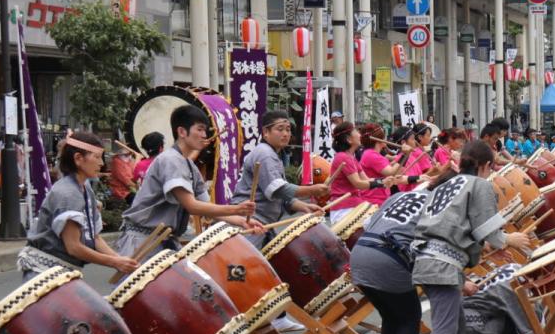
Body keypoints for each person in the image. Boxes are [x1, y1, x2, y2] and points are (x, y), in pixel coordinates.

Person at [408, 140, 531, 334]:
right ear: (485, 165)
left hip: (431, 257)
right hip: (441, 262)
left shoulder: (447, 183)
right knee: (444, 331)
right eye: (492, 166)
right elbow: (490, 231)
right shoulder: (478, 185)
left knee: (457, 324)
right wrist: (508, 239)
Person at [117, 104, 260, 260]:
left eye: (205, 130)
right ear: (182, 132)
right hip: (142, 241)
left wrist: (241, 221)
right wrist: (236, 210)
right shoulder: (170, 160)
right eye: (199, 129)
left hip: (163, 241)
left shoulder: (189, 166)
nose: (205, 135)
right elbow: (192, 205)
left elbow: (206, 207)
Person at [18, 132, 139, 280]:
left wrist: (120, 260)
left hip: (62, 271)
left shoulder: (85, 189)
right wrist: (114, 262)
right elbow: (73, 247)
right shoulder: (68, 194)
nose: (101, 163)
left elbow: (94, 238)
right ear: (78, 159)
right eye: (96, 157)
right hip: (44, 274)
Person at [350, 187, 434, 334]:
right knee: (409, 317)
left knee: (390, 315)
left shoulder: (400, 195)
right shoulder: (436, 204)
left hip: (360, 253)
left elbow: (368, 223)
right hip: (387, 258)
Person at [231, 110, 327, 247]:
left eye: (288, 130)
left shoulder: (273, 154)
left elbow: (280, 196)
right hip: (249, 221)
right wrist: (312, 190)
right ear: (265, 132)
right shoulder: (265, 153)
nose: (286, 134)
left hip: (262, 223)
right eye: (280, 129)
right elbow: (278, 190)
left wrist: (304, 206)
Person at [329, 121, 377, 224]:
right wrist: (381, 183)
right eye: (356, 131)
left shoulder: (351, 158)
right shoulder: (343, 157)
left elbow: (367, 180)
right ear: (348, 139)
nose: (360, 135)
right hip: (344, 210)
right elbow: (358, 184)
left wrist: (387, 180)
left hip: (352, 205)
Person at [358, 124, 403, 207]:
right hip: (373, 201)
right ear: (378, 140)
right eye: (384, 137)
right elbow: (391, 172)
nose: (385, 139)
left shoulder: (373, 154)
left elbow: (395, 170)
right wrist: (404, 155)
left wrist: (402, 156)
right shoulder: (371, 155)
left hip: (380, 199)